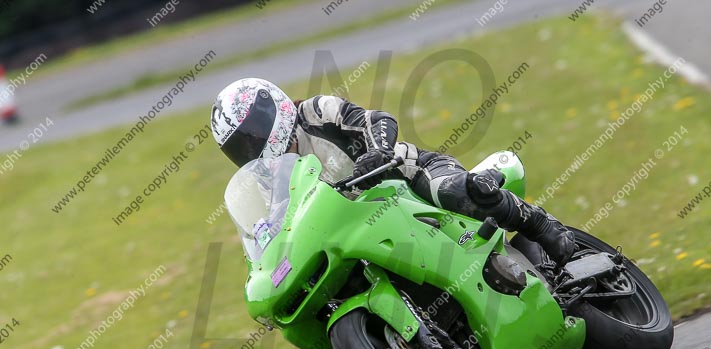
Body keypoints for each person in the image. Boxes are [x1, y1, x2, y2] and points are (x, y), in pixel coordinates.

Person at [210, 78, 575, 266]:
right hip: (356, 230)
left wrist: (377, 151)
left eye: (252, 133)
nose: (251, 148)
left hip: (405, 178)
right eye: (239, 146)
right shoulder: (267, 181)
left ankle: (539, 225)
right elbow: (276, 225)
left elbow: (376, 119)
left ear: (272, 108)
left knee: (455, 190)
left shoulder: (315, 112)